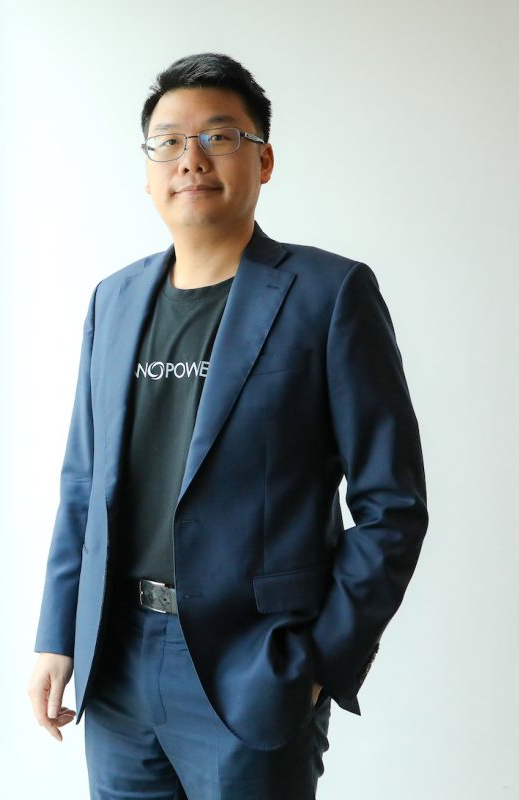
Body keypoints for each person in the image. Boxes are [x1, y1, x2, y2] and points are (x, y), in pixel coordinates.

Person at [25, 53, 428, 799]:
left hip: (254, 668)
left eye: (219, 136)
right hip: (115, 664)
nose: (192, 159)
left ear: (263, 160)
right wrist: (58, 635)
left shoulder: (329, 294)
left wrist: (318, 661)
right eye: (169, 142)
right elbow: (83, 487)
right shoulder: (113, 301)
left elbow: (392, 504)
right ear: (148, 170)